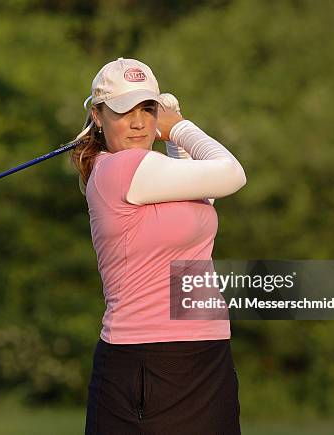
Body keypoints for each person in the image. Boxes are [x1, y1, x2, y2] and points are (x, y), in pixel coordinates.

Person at [71, 57, 246, 435]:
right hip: (147, 361)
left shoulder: (151, 171)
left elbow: (202, 197)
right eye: (123, 111)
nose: (138, 123)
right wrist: (179, 128)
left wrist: (171, 140)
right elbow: (231, 174)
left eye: (147, 109)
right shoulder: (120, 168)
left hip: (206, 355)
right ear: (98, 117)